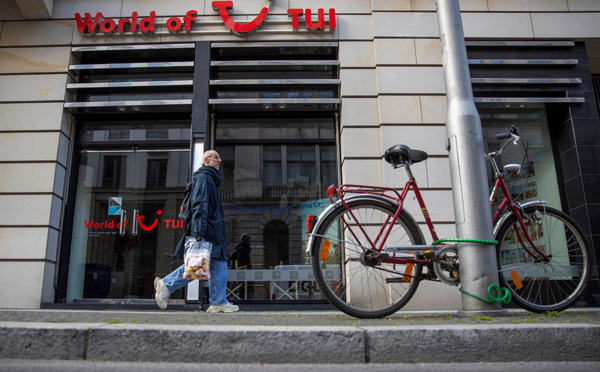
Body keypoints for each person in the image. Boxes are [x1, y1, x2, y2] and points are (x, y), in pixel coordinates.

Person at [154, 150, 239, 313]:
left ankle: (218, 301)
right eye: (215, 157)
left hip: (212, 229)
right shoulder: (204, 178)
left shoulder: (209, 179)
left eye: (219, 157)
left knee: (216, 264)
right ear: (206, 160)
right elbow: (200, 204)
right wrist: (200, 231)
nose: (219, 160)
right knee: (201, 264)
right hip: (208, 230)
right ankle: (166, 285)